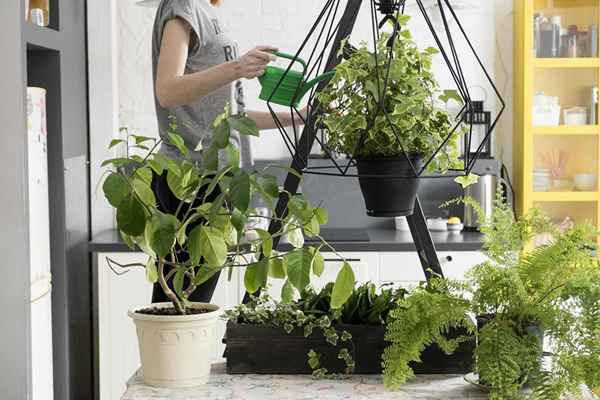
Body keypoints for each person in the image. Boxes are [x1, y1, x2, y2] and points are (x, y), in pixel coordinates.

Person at [150, 0, 303, 304]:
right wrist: (237, 67)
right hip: (190, 180)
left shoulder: (208, 10)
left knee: (191, 306)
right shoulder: (183, 6)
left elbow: (231, 119)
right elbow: (166, 90)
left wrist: (298, 116)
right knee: (181, 306)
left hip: (218, 178)